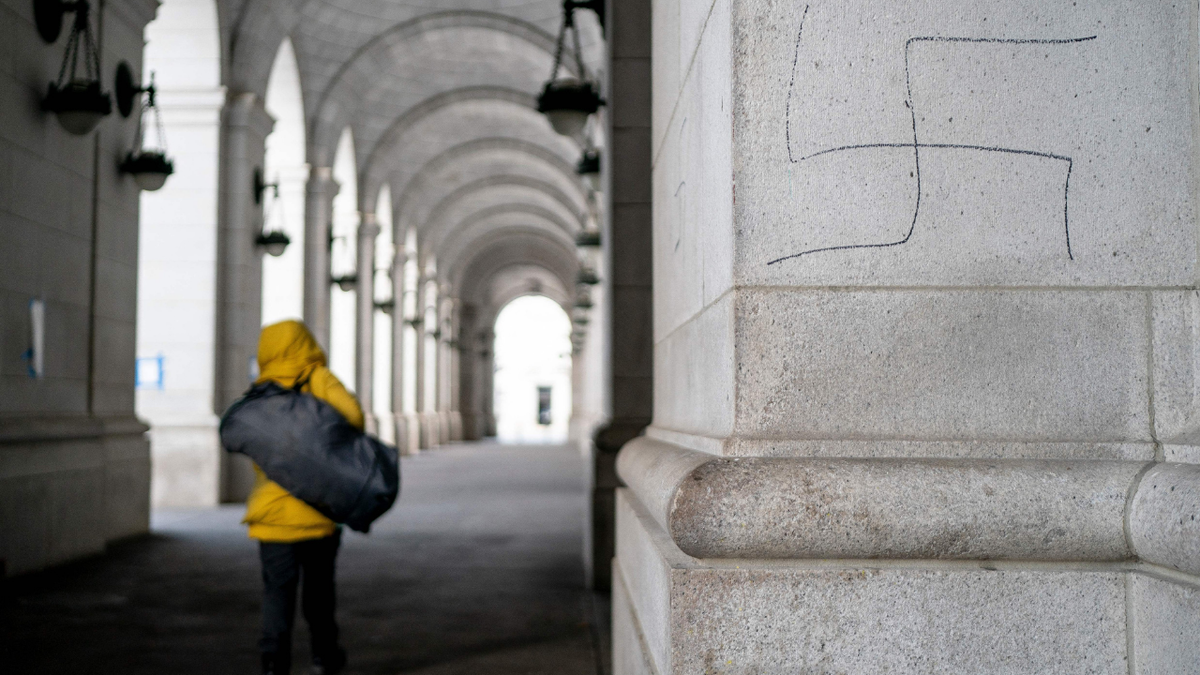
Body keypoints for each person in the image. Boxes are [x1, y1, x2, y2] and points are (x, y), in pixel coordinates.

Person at [243, 320, 363, 675]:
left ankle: (272, 663)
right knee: (319, 593)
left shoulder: (260, 390)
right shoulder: (319, 379)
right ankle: (325, 656)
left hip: (272, 515)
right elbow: (353, 418)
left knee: (276, 595)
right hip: (319, 511)